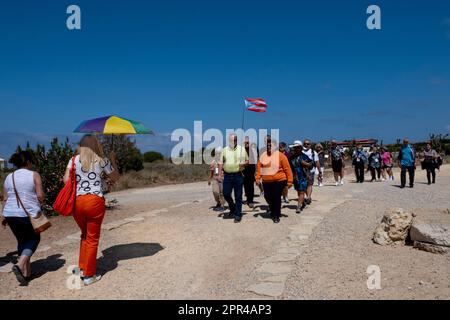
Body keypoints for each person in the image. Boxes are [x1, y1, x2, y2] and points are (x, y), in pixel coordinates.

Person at [63, 134, 120, 285]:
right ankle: (89, 276)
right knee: (92, 238)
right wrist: (113, 159)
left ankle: (82, 269)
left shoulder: (73, 160)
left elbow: (65, 180)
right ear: (96, 144)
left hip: (77, 202)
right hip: (94, 201)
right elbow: (115, 178)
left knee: (84, 235)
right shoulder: (102, 160)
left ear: (81, 145)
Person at [1, 151, 44, 285]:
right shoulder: (34, 174)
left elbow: (5, 198)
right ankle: (20, 265)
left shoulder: (9, 177)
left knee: (22, 241)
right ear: (28, 162)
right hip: (26, 213)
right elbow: (40, 195)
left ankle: (26, 274)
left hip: (10, 213)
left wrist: (3, 216)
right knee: (34, 238)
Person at [255, 138, 293, 223]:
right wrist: (257, 178)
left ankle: (276, 215)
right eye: (268, 145)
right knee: (267, 196)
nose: (269, 147)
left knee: (276, 197)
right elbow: (259, 169)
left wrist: (290, 181)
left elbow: (287, 169)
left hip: (279, 180)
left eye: (271, 145)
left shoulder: (281, 156)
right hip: (266, 180)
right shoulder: (263, 156)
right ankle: (273, 209)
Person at [218, 134, 248, 223]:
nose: (233, 141)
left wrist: (244, 164)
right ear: (229, 140)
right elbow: (220, 163)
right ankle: (232, 207)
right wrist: (220, 174)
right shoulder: (224, 150)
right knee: (226, 194)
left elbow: (247, 160)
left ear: (237, 140)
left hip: (238, 175)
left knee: (238, 196)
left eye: (235, 140)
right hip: (227, 175)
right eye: (232, 140)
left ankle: (238, 214)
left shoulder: (242, 149)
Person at [289, 141, 309, 213]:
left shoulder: (304, 156)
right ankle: (302, 202)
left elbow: (311, 164)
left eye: (297, 147)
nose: (296, 149)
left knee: (301, 191)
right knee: (298, 191)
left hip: (303, 176)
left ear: (300, 148)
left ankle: (298, 206)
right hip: (295, 177)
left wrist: (306, 164)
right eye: (295, 148)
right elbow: (289, 168)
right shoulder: (291, 158)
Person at [302, 139, 321, 205]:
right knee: (304, 185)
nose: (306, 145)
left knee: (309, 184)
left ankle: (308, 197)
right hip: (302, 171)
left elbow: (317, 162)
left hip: (311, 171)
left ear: (310, 145)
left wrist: (319, 171)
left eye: (308, 144)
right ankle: (307, 196)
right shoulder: (300, 151)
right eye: (305, 144)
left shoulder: (314, 152)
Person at [208, 147, 225, 211]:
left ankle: (222, 205)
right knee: (215, 191)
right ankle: (218, 202)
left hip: (222, 178)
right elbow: (211, 172)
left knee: (222, 193)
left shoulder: (224, 161)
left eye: (219, 153)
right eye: (217, 153)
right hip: (215, 178)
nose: (218, 154)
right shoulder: (213, 162)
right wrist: (209, 179)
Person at [243, 137, 257, 209]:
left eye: (247, 142)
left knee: (250, 186)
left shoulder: (253, 150)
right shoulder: (241, 150)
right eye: (245, 142)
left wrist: (256, 171)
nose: (246, 144)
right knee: (245, 186)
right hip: (243, 170)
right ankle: (247, 199)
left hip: (251, 170)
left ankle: (251, 201)